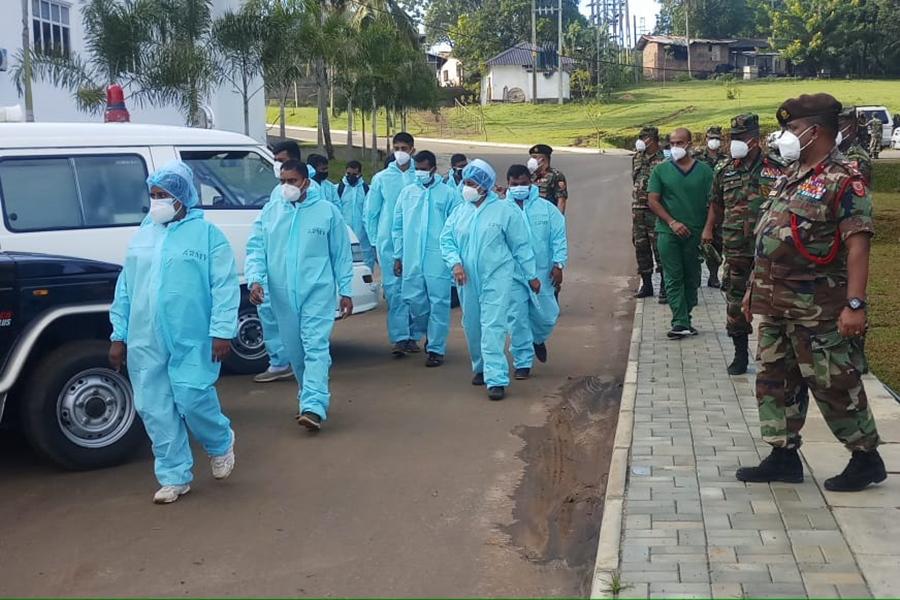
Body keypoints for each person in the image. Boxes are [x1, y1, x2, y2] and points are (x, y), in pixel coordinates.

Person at [736, 93, 887, 492]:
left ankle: (865, 457)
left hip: (818, 306)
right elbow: (768, 235)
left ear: (814, 131)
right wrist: (753, 289)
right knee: (774, 381)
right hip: (777, 303)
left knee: (833, 382)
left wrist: (855, 304)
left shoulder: (844, 179)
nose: (784, 136)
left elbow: (858, 243)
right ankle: (783, 455)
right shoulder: (792, 173)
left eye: (791, 128)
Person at [109, 160, 239, 504]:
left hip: (192, 334)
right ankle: (174, 476)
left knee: (193, 396)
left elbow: (224, 286)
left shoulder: (208, 235)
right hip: (144, 337)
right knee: (153, 406)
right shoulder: (142, 235)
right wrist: (118, 334)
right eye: (152, 195)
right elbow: (126, 287)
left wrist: (222, 330)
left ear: (182, 196)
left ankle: (220, 443)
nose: (157, 201)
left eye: (163, 194)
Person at [245, 160, 354, 432]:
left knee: (315, 346)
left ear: (306, 181)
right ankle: (309, 397)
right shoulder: (271, 212)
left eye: (292, 181)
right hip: (281, 295)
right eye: (282, 181)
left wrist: (346, 290)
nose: (286, 186)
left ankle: (314, 406)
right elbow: (256, 249)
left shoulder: (326, 213)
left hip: (317, 291)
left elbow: (341, 254)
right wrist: (255, 280)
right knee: (295, 350)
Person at [440, 159, 538, 401]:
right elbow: (446, 240)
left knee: (492, 325)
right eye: (465, 183)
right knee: (472, 324)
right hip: (467, 279)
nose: (466, 187)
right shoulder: (460, 211)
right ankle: (481, 366)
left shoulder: (504, 211)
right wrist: (455, 263)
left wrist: (531, 274)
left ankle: (496, 379)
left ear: (484, 185)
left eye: (471, 183)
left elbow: (521, 245)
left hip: (497, 275)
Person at [703, 113, 785, 375]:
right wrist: (708, 228)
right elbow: (716, 202)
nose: (734, 143)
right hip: (736, 245)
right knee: (735, 301)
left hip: (771, 249)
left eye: (740, 138)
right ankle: (740, 354)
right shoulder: (724, 169)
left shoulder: (777, 167)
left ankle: (778, 356)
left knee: (776, 301)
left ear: (754, 139)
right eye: (732, 138)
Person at [392, 151, 460, 367]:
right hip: (411, 255)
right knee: (413, 299)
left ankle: (436, 348)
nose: (419, 172)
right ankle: (425, 329)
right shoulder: (407, 193)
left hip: (437, 257)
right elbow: (397, 227)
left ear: (433, 169)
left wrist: (454, 259)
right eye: (417, 168)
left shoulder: (448, 194)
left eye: (423, 168)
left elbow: (456, 227)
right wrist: (398, 255)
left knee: (439, 302)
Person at [648, 128, 714, 339]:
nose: (675, 147)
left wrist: (708, 228)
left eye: (680, 142)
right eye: (672, 143)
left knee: (692, 276)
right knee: (673, 275)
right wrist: (671, 222)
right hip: (668, 233)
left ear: (690, 144)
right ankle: (679, 321)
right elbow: (653, 200)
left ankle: (686, 317)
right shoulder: (660, 171)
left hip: (695, 233)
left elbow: (714, 203)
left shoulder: (705, 172)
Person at [504, 164, 567, 379]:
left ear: (530, 183)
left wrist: (558, 264)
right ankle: (522, 362)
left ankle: (537, 339)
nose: (519, 188)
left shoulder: (546, 208)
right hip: (513, 274)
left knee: (547, 316)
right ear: (508, 185)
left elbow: (559, 237)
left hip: (543, 271)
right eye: (514, 184)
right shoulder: (503, 209)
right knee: (517, 317)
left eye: (523, 184)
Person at [254, 144, 303, 384]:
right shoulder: (278, 195)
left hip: (307, 275)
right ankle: (282, 361)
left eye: (280, 159)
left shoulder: (314, 195)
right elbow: (259, 240)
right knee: (272, 314)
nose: (276, 164)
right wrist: (257, 276)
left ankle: (308, 373)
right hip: (277, 270)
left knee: (308, 328)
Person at [365, 132, 417, 356]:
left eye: (404, 148)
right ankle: (399, 338)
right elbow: (371, 213)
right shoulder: (381, 178)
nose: (400, 152)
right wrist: (375, 242)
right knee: (394, 291)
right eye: (396, 147)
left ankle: (414, 335)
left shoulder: (420, 176)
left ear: (412, 150)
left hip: (416, 241)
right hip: (388, 243)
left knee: (416, 289)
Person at [632, 126, 667, 301]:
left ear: (650, 140)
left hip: (656, 211)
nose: (639, 141)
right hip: (638, 210)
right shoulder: (637, 158)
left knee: (659, 248)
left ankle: (664, 287)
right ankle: (646, 285)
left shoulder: (664, 161)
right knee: (641, 247)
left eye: (642, 137)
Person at [693, 125, 727, 287]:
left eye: (717, 138)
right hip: (699, 206)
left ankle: (713, 276)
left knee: (717, 242)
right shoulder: (697, 157)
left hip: (718, 207)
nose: (714, 141)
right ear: (705, 139)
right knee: (696, 242)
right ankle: (696, 275)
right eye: (711, 138)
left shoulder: (726, 159)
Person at [336, 160, 375, 271]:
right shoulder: (338, 189)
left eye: (354, 174)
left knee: (365, 268)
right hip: (344, 236)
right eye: (348, 174)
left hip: (363, 238)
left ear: (360, 174)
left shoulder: (367, 190)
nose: (351, 177)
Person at [528, 144, 568, 215]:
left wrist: (558, 220)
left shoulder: (556, 176)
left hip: (548, 216)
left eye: (534, 157)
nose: (531, 161)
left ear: (542, 160)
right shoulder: (530, 176)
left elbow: (561, 200)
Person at [838, 106, 873, 185]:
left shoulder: (856, 158)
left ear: (851, 127)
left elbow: (854, 191)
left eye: (839, 126)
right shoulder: (837, 151)